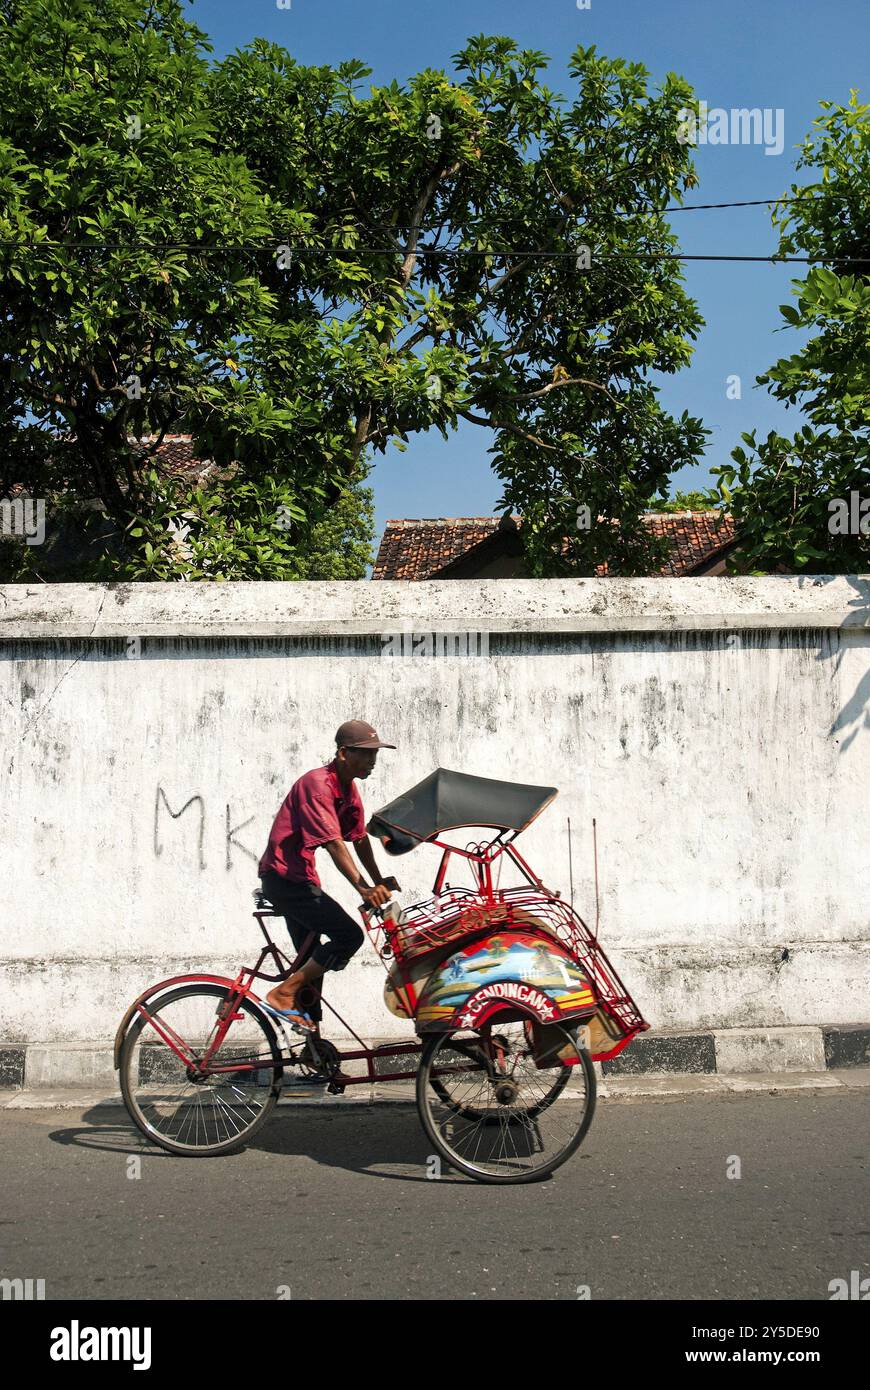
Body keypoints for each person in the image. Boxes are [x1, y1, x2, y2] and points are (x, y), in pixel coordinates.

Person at [257, 720, 400, 1034]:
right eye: (365, 754)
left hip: (301, 879)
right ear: (343, 753)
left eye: (375, 754)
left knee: (312, 963)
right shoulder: (317, 784)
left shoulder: (348, 789)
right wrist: (363, 888)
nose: (372, 761)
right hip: (284, 880)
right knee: (349, 936)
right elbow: (335, 843)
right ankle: (282, 993)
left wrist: (378, 879)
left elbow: (358, 838)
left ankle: (313, 1047)